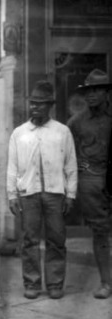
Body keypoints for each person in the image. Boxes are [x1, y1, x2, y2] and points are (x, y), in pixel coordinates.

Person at [7, 80, 78, 301]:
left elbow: (71, 165)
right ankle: (32, 283)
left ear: (50, 106)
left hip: (56, 194)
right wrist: (11, 194)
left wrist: (71, 194)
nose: (35, 107)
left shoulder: (62, 131)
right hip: (28, 194)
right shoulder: (19, 133)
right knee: (29, 239)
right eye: (33, 103)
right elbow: (12, 167)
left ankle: (55, 283)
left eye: (41, 104)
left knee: (56, 239)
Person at [67, 69, 112, 299]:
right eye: (88, 90)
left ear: (106, 92)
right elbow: (66, 153)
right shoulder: (76, 122)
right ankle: (106, 282)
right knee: (101, 233)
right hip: (92, 181)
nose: (91, 95)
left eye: (97, 89)